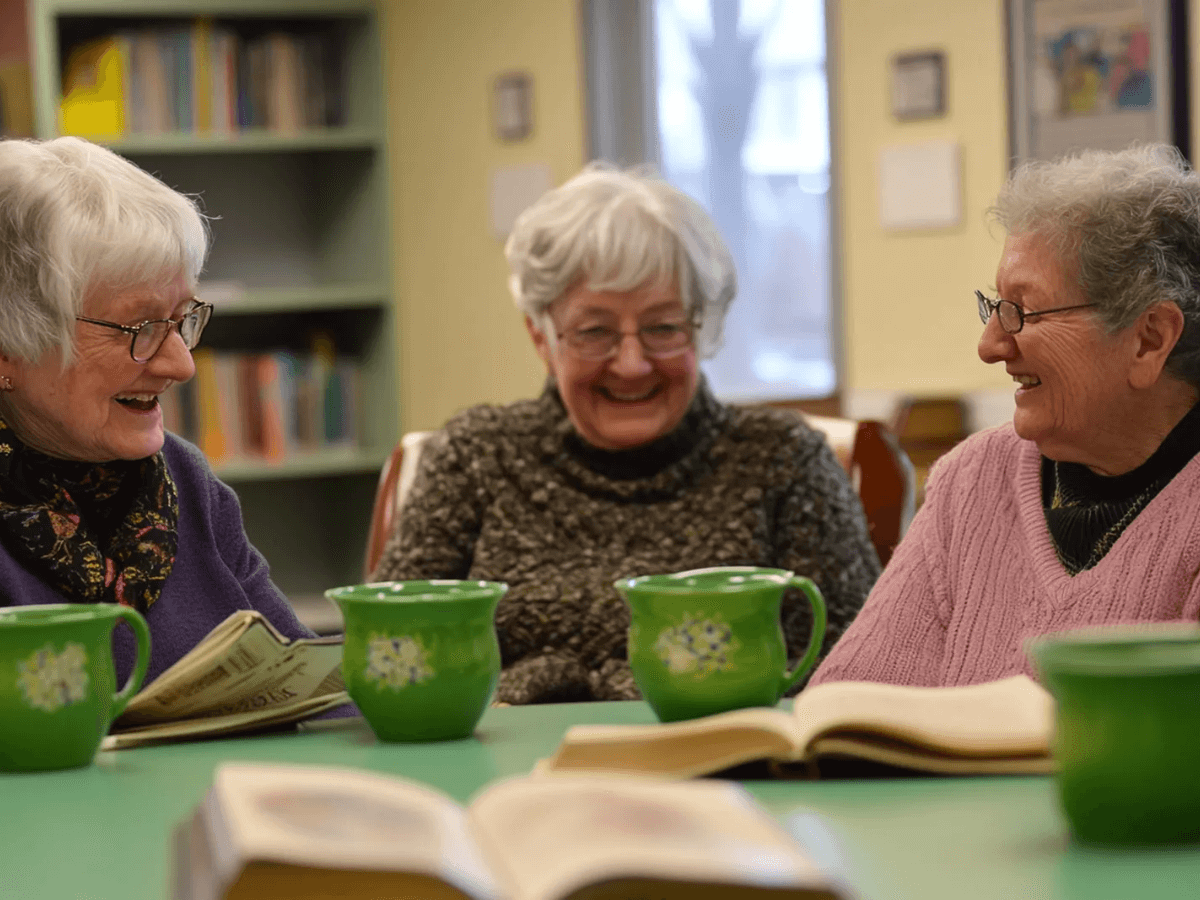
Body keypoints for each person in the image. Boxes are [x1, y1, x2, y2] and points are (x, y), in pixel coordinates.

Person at [371, 163, 881, 705]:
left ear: (703, 327)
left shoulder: (783, 460)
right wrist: (540, 687)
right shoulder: (473, 456)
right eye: (595, 332)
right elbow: (386, 654)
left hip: (729, 777)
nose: (632, 364)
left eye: (663, 327)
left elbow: (863, 669)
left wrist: (611, 690)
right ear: (541, 338)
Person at [812, 143, 1200, 688]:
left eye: (1023, 311)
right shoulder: (972, 481)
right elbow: (847, 704)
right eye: (995, 306)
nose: (990, 345)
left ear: (1148, 339)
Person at [0, 136, 320, 687]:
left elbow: (310, 691)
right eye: (140, 328)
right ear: (9, 346)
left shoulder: (184, 480)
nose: (181, 365)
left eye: (181, 319)